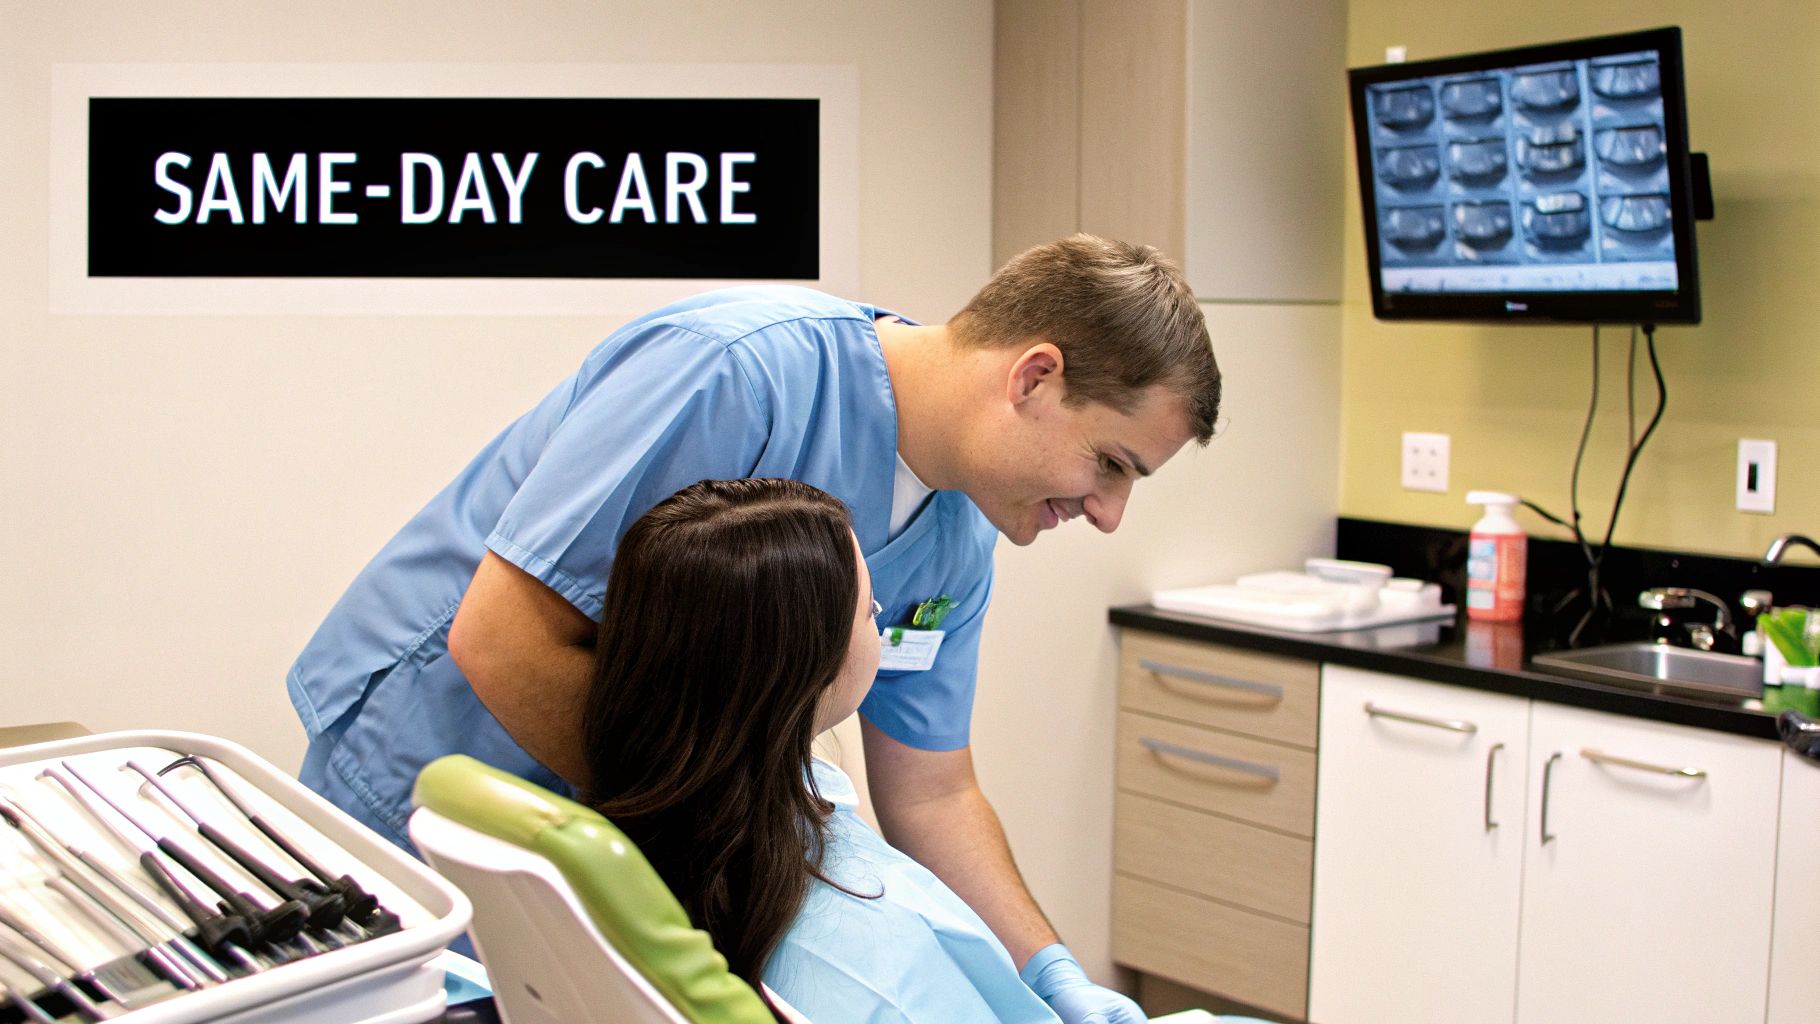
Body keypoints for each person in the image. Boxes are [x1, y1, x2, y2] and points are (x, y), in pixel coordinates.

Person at [287, 235, 1223, 1023]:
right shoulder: (734, 370)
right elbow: (503, 644)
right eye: (1110, 463)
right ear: (1034, 376)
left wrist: (1050, 977)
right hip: (438, 768)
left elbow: (932, 793)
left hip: (619, 845)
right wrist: (725, 841)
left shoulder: (956, 537)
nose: (1108, 514)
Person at [581, 476, 1057, 1021]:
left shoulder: (642, 843)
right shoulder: (876, 940)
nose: (878, 616)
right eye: (868, 610)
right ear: (809, 664)